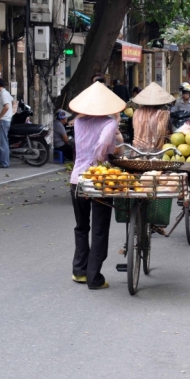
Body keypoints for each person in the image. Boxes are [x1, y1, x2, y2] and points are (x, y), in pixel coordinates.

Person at [68, 82, 126, 289]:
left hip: (76, 179)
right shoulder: (109, 124)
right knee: (99, 229)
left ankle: (79, 271)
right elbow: (103, 147)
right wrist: (100, 159)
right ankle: (94, 278)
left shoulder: (78, 121)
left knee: (81, 226)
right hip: (99, 181)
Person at [132, 82, 174, 151]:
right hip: (156, 152)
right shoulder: (163, 114)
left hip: (137, 151)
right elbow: (166, 134)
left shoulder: (136, 112)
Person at [0, 78, 13, 169]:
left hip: (3, 121)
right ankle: (0, 161)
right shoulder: (6, 93)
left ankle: (4, 163)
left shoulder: (3, 94)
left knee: (2, 143)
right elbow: (13, 102)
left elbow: (7, 106)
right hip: (5, 120)